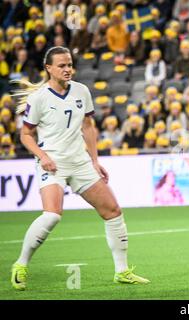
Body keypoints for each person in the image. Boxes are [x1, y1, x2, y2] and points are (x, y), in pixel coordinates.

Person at [10, 46, 149, 291]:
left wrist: (94, 161)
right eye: (62, 65)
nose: (67, 69)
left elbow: (87, 126)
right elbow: (25, 135)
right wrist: (42, 156)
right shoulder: (39, 97)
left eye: (70, 64)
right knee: (52, 215)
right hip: (53, 162)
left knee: (113, 211)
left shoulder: (81, 91)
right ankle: (21, 264)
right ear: (49, 68)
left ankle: (122, 271)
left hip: (80, 161)